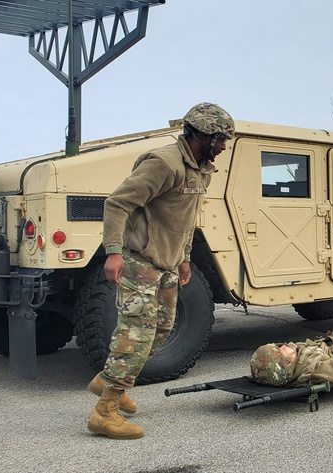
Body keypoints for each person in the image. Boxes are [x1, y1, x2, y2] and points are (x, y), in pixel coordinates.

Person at [86, 102, 235, 440]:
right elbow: (117, 203)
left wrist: (184, 258)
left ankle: (112, 380)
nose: (225, 146)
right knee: (136, 333)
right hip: (140, 260)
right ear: (204, 135)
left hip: (167, 262)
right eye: (222, 139)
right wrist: (113, 253)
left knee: (163, 329)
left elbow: (183, 219)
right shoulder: (164, 164)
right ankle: (105, 411)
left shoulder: (200, 168)